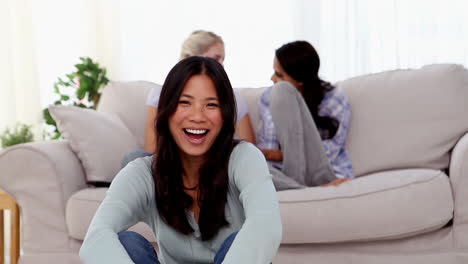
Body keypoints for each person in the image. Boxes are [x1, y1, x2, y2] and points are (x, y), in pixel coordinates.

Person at [80, 56, 282, 264]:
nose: (197, 116)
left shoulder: (244, 158)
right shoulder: (143, 173)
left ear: (225, 113)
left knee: (236, 241)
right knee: (125, 242)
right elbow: (96, 237)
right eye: (184, 102)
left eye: (211, 105)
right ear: (167, 111)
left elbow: (266, 226)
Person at [122, 30, 255, 167]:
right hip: (170, 165)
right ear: (190, 57)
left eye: (212, 104)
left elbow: (249, 149)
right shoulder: (159, 95)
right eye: (215, 58)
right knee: (132, 158)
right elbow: (151, 148)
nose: (221, 65)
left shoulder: (234, 98)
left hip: (218, 165)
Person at [256, 40, 354, 190]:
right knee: (246, 168)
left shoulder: (334, 99)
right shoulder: (268, 98)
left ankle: (297, 187)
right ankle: (302, 191)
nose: (272, 78)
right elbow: (268, 149)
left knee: (281, 90)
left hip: (321, 173)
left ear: (300, 80)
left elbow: (329, 151)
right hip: (282, 174)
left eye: (279, 74)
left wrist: (279, 154)